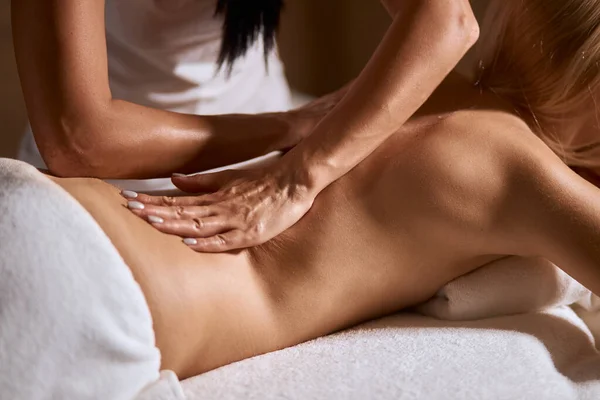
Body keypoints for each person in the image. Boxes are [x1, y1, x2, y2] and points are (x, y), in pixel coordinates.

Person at [4, 0, 600, 396]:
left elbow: (444, 19)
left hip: (45, 206)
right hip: (86, 282)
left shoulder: (405, 102)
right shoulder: (515, 170)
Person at [12, 0, 480, 252]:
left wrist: (301, 172)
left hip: (270, 164)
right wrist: (292, 129)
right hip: (100, 183)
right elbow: (78, 138)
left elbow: (447, 18)